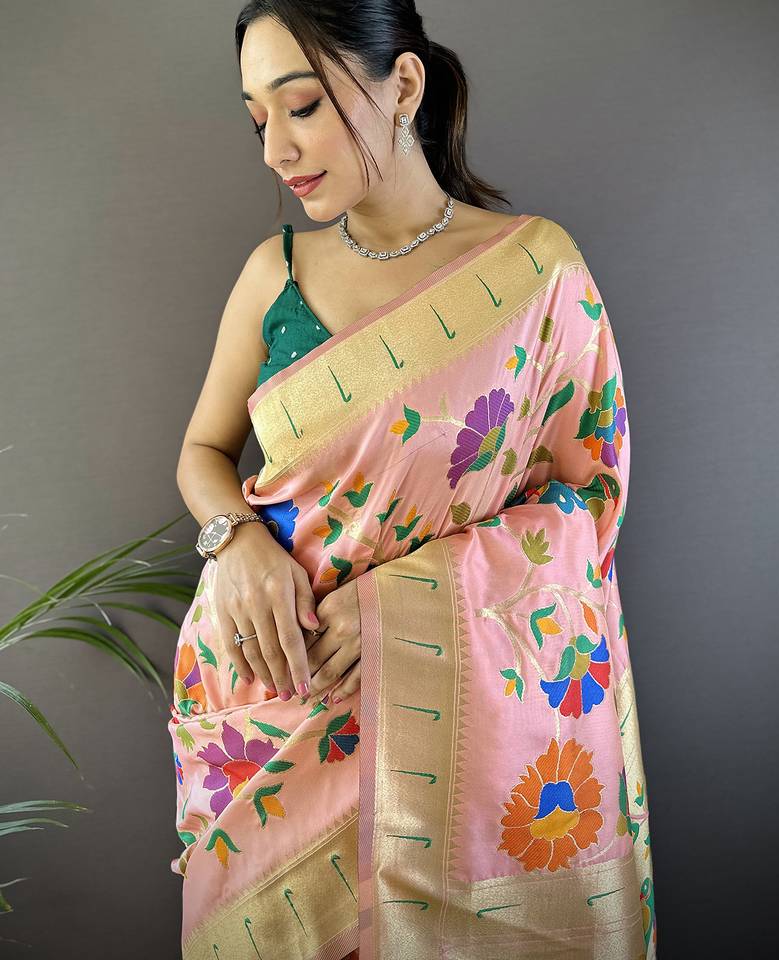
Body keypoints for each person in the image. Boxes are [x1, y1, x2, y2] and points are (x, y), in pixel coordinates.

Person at [168, 2, 657, 959]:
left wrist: (400, 606)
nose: (275, 150)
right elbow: (202, 453)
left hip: (461, 711)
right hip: (273, 691)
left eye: (302, 106)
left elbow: (589, 506)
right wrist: (237, 544)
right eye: (257, 119)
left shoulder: (534, 273)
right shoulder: (275, 272)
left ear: (403, 84)